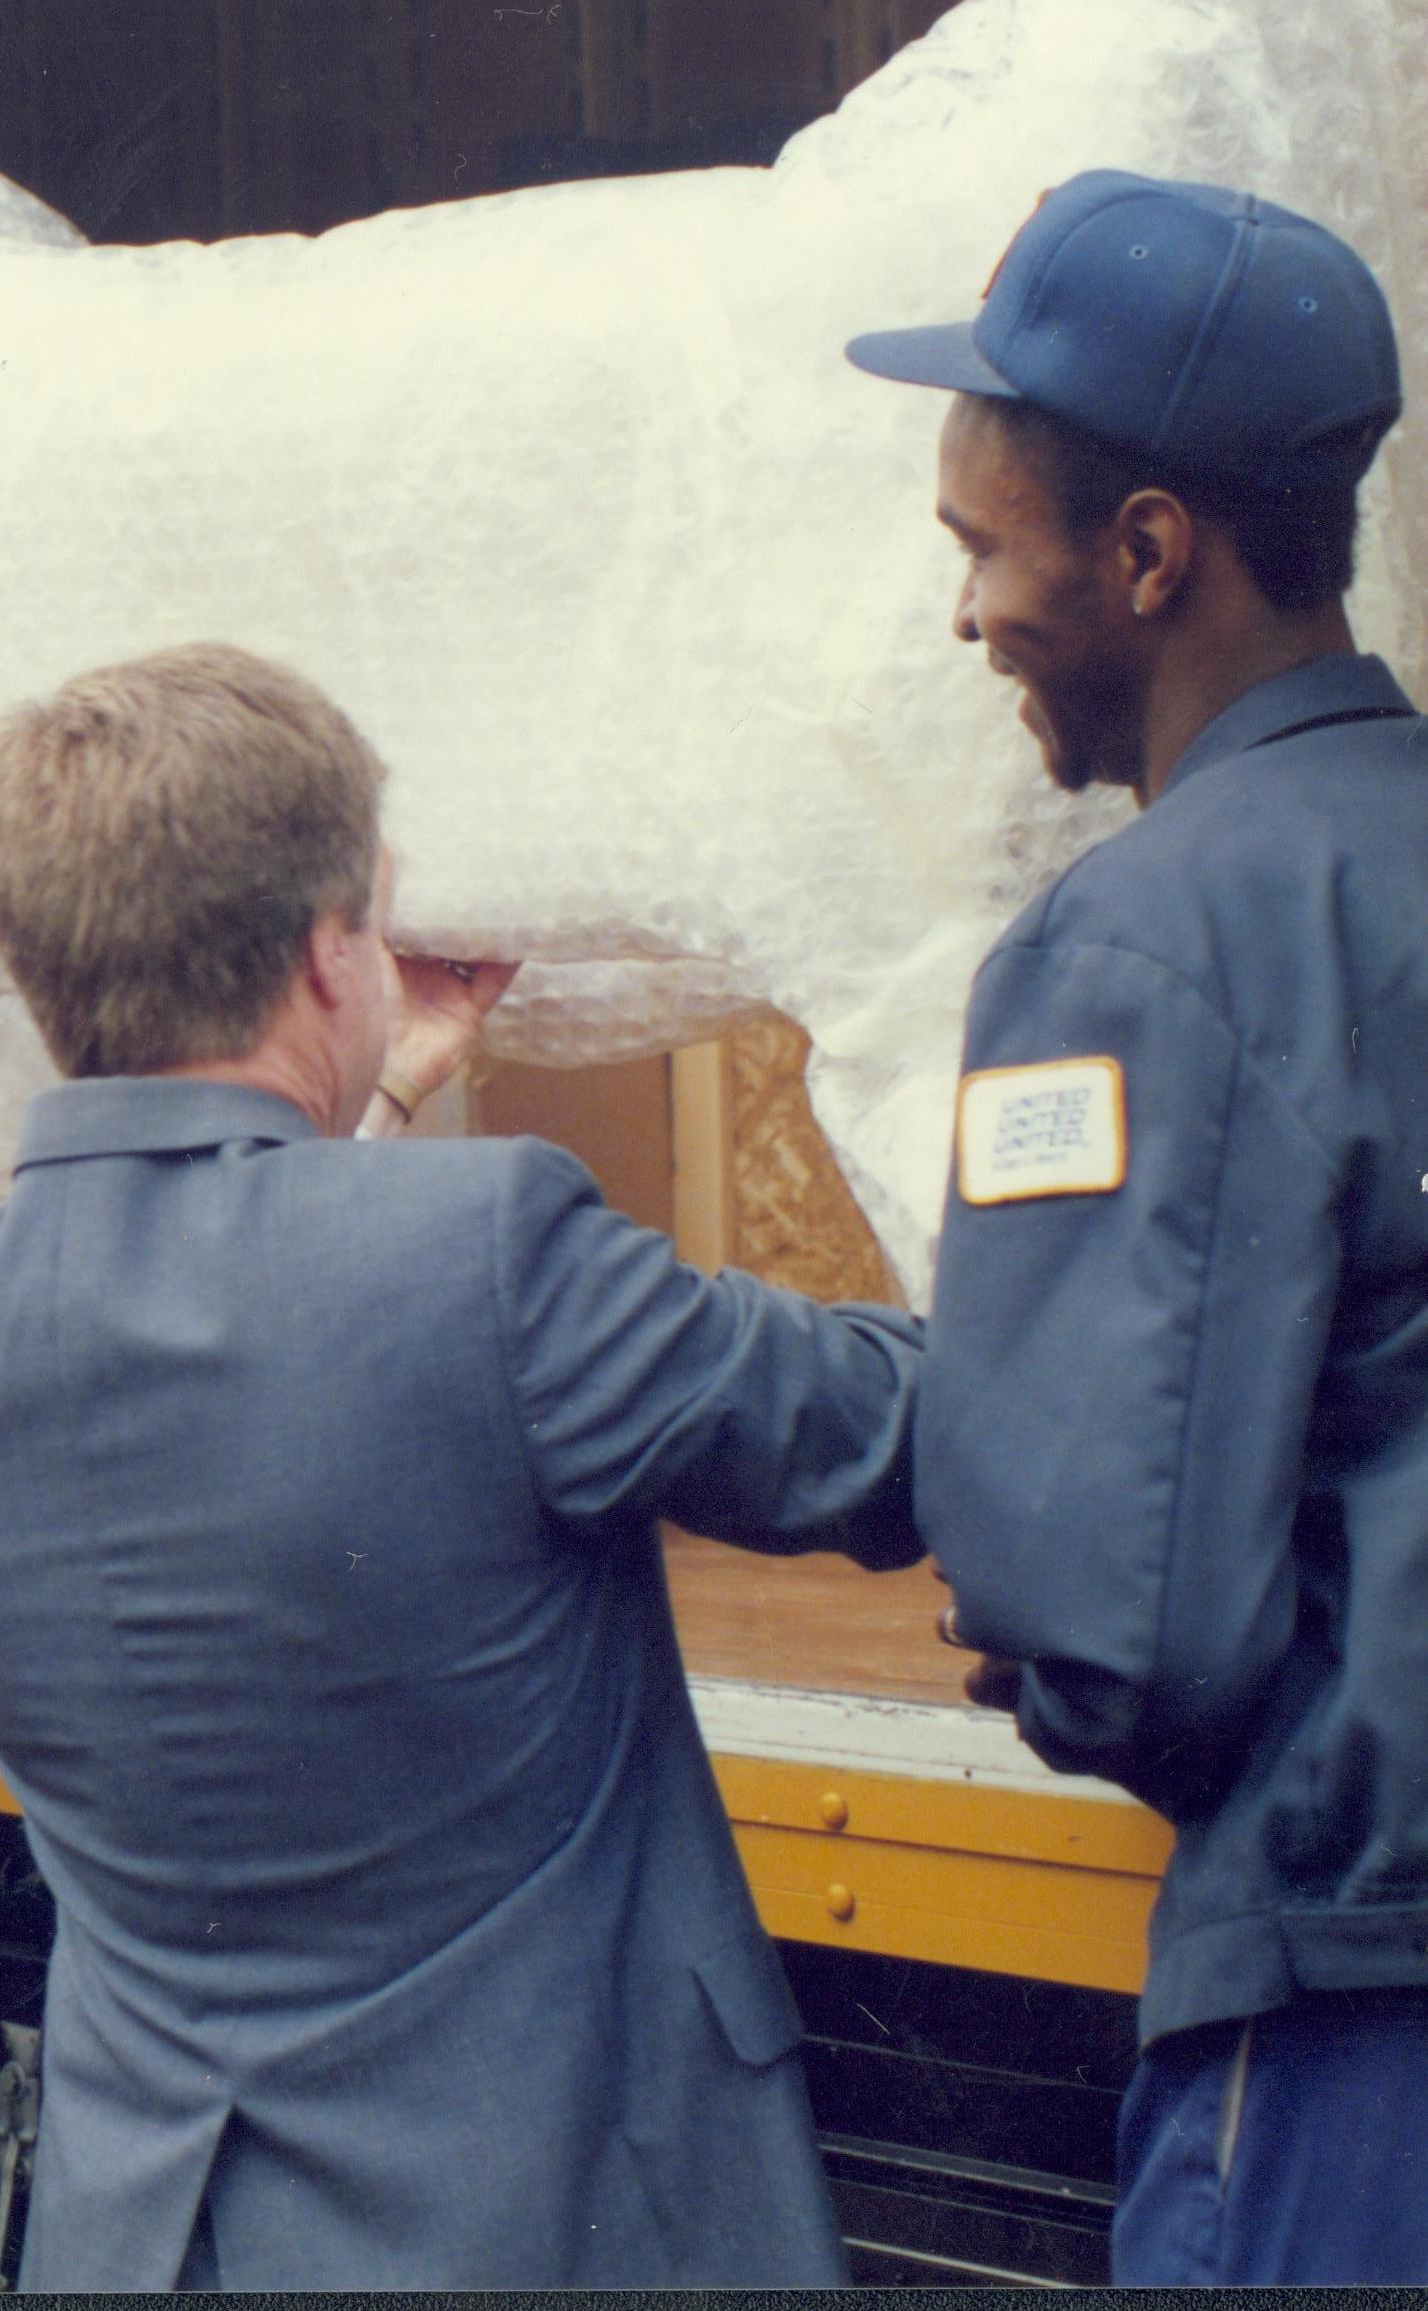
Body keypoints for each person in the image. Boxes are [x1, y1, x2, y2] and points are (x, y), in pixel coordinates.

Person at [0, 644, 930, 2289]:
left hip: (152, 2237)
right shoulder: (488, 1250)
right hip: (543, 2231)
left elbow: (252, 1313)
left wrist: (387, 1082)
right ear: (330, 952)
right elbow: (894, 1437)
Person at [846, 171, 1425, 2286]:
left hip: (1348, 2000)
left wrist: (1028, 1577)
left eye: (981, 549)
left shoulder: (1137, 938)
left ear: (1148, 551)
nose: (967, 613)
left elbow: (1115, 1624)